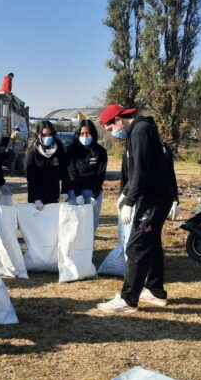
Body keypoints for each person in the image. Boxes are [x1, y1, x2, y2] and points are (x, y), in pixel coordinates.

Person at [97, 104, 176, 314]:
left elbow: (141, 171)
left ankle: (128, 299)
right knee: (151, 244)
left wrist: (130, 202)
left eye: (111, 129)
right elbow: (135, 170)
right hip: (157, 197)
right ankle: (155, 291)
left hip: (152, 199)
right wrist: (125, 193)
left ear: (118, 120)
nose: (113, 133)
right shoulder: (141, 130)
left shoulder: (140, 131)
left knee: (136, 246)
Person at [68, 119, 108, 232]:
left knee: (91, 226)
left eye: (88, 133)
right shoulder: (71, 150)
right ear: (78, 134)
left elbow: (100, 174)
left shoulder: (100, 151)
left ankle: (88, 249)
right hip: (75, 192)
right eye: (82, 134)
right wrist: (77, 193)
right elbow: (72, 172)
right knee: (74, 226)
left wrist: (94, 195)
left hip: (93, 193)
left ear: (93, 134)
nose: (85, 136)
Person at [26, 120, 72, 206]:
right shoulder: (32, 151)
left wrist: (65, 191)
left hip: (53, 194)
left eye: (50, 134)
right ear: (39, 134)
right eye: (44, 135)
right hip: (36, 197)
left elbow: (65, 172)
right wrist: (36, 198)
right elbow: (31, 178)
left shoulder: (59, 149)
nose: (47, 137)